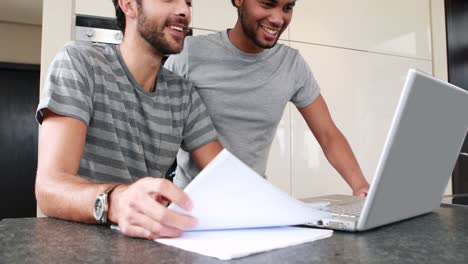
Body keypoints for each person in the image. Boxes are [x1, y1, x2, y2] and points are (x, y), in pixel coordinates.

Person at [35, 0, 223, 240]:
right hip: (78, 244)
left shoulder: (183, 94)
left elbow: (223, 172)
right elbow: (49, 188)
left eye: (188, 2)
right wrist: (117, 201)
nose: (184, 11)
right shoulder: (81, 62)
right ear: (129, 5)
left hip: (145, 244)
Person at [165, 0, 370, 196]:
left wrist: (361, 187)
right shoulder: (188, 54)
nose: (278, 19)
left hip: (254, 201)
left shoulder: (291, 64)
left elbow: (328, 134)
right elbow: (160, 135)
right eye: (267, 4)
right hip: (192, 204)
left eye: (287, 7)